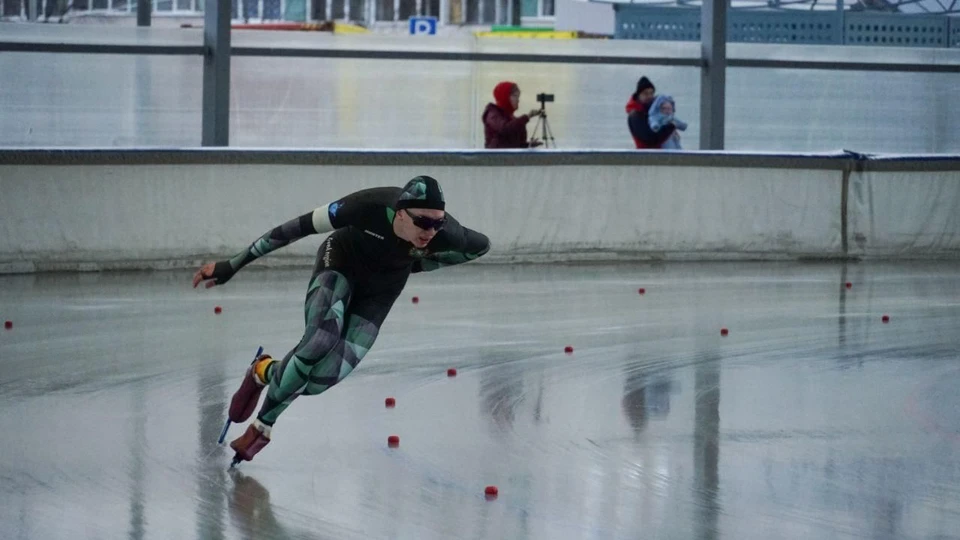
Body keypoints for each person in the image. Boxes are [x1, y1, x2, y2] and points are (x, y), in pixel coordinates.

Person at [192, 176, 491, 464]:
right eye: (422, 222)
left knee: (318, 381)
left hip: (381, 291)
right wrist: (231, 265)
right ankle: (263, 427)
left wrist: (420, 264)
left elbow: (482, 246)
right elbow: (293, 229)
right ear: (400, 214)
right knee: (320, 340)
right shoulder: (368, 206)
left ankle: (262, 371)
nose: (430, 231)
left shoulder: (446, 234)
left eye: (437, 223)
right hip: (341, 263)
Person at [482, 81, 543, 149]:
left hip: (511, 158)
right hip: (497, 158)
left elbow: (514, 144)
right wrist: (527, 117)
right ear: (505, 96)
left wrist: (527, 145)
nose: (518, 100)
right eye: (515, 96)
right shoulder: (492, 114)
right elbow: (505, 129)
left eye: (518, 96)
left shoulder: (512, 118)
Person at [626, 76, 676, 149]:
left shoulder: (651, 111)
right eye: (645, 94)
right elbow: (650, 139)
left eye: (651, 93)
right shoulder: (635, 115)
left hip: (656, 155)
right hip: (645, 157)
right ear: (638, 96)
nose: (649, 96)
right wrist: (670, 127)